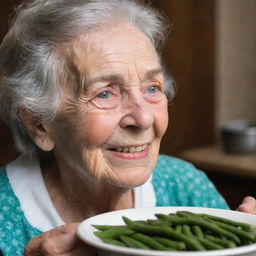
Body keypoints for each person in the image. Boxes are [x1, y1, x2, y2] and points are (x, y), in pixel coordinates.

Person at [0, 0, 255, 255]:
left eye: (152, 88)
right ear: (39, 124)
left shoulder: (184, 185)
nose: (143, 118)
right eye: (105, 94)